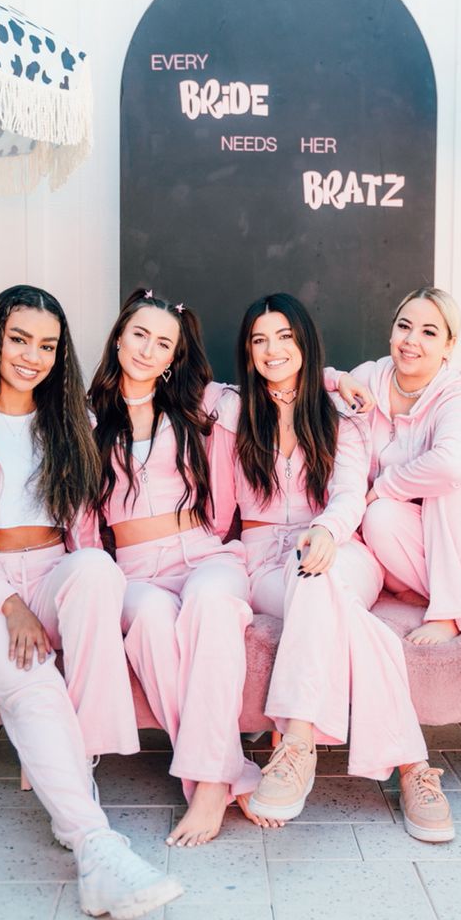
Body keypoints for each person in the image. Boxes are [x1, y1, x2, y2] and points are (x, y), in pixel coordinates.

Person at [0, 285, 182, 919]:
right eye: (18, 339)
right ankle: (95, 846)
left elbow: (87, 527)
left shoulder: (71, 420)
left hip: (52, 569)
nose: (31, 356)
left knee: (95, 571)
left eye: (47, 345)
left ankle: (76, 758)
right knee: (33, 681)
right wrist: (8, 603)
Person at [210, 293, 454, 843]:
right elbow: (221, 510)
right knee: (331, 604)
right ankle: (413, 767)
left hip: (342, 549)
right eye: (259, 339)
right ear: (247, 352)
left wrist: (327, 530)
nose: (273, 349)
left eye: (285, 337)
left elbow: (348, 494)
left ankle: (296, 742)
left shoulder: (343, 415)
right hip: (265, 560)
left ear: (304, 343)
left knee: (319, 576)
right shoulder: (230, 413)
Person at [89, 288, 264, 849]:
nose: (147, 348)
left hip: (205, 554)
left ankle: (209, 787)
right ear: (119, 336)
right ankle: (224, 774)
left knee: (212, 606)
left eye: (162, 342)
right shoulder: (84, 416)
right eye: (139, 334)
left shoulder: (199, 406)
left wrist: (335, 382)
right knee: (151, 625)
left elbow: (276, 386)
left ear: (172, 358)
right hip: (135, 570)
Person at [336, 286, 461, 645]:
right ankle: (460, 598)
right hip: (427, 535)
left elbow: (452, 466)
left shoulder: (458, 395)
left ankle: (449, 613)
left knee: (450, 483)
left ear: (449, 345)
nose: (411, 340)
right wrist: (336, 379)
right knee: (378, 517)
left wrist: (383, 486)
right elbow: (305, 396)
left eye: (429, 332)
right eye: (404, 326)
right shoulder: (368, 378)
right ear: (392, 331)